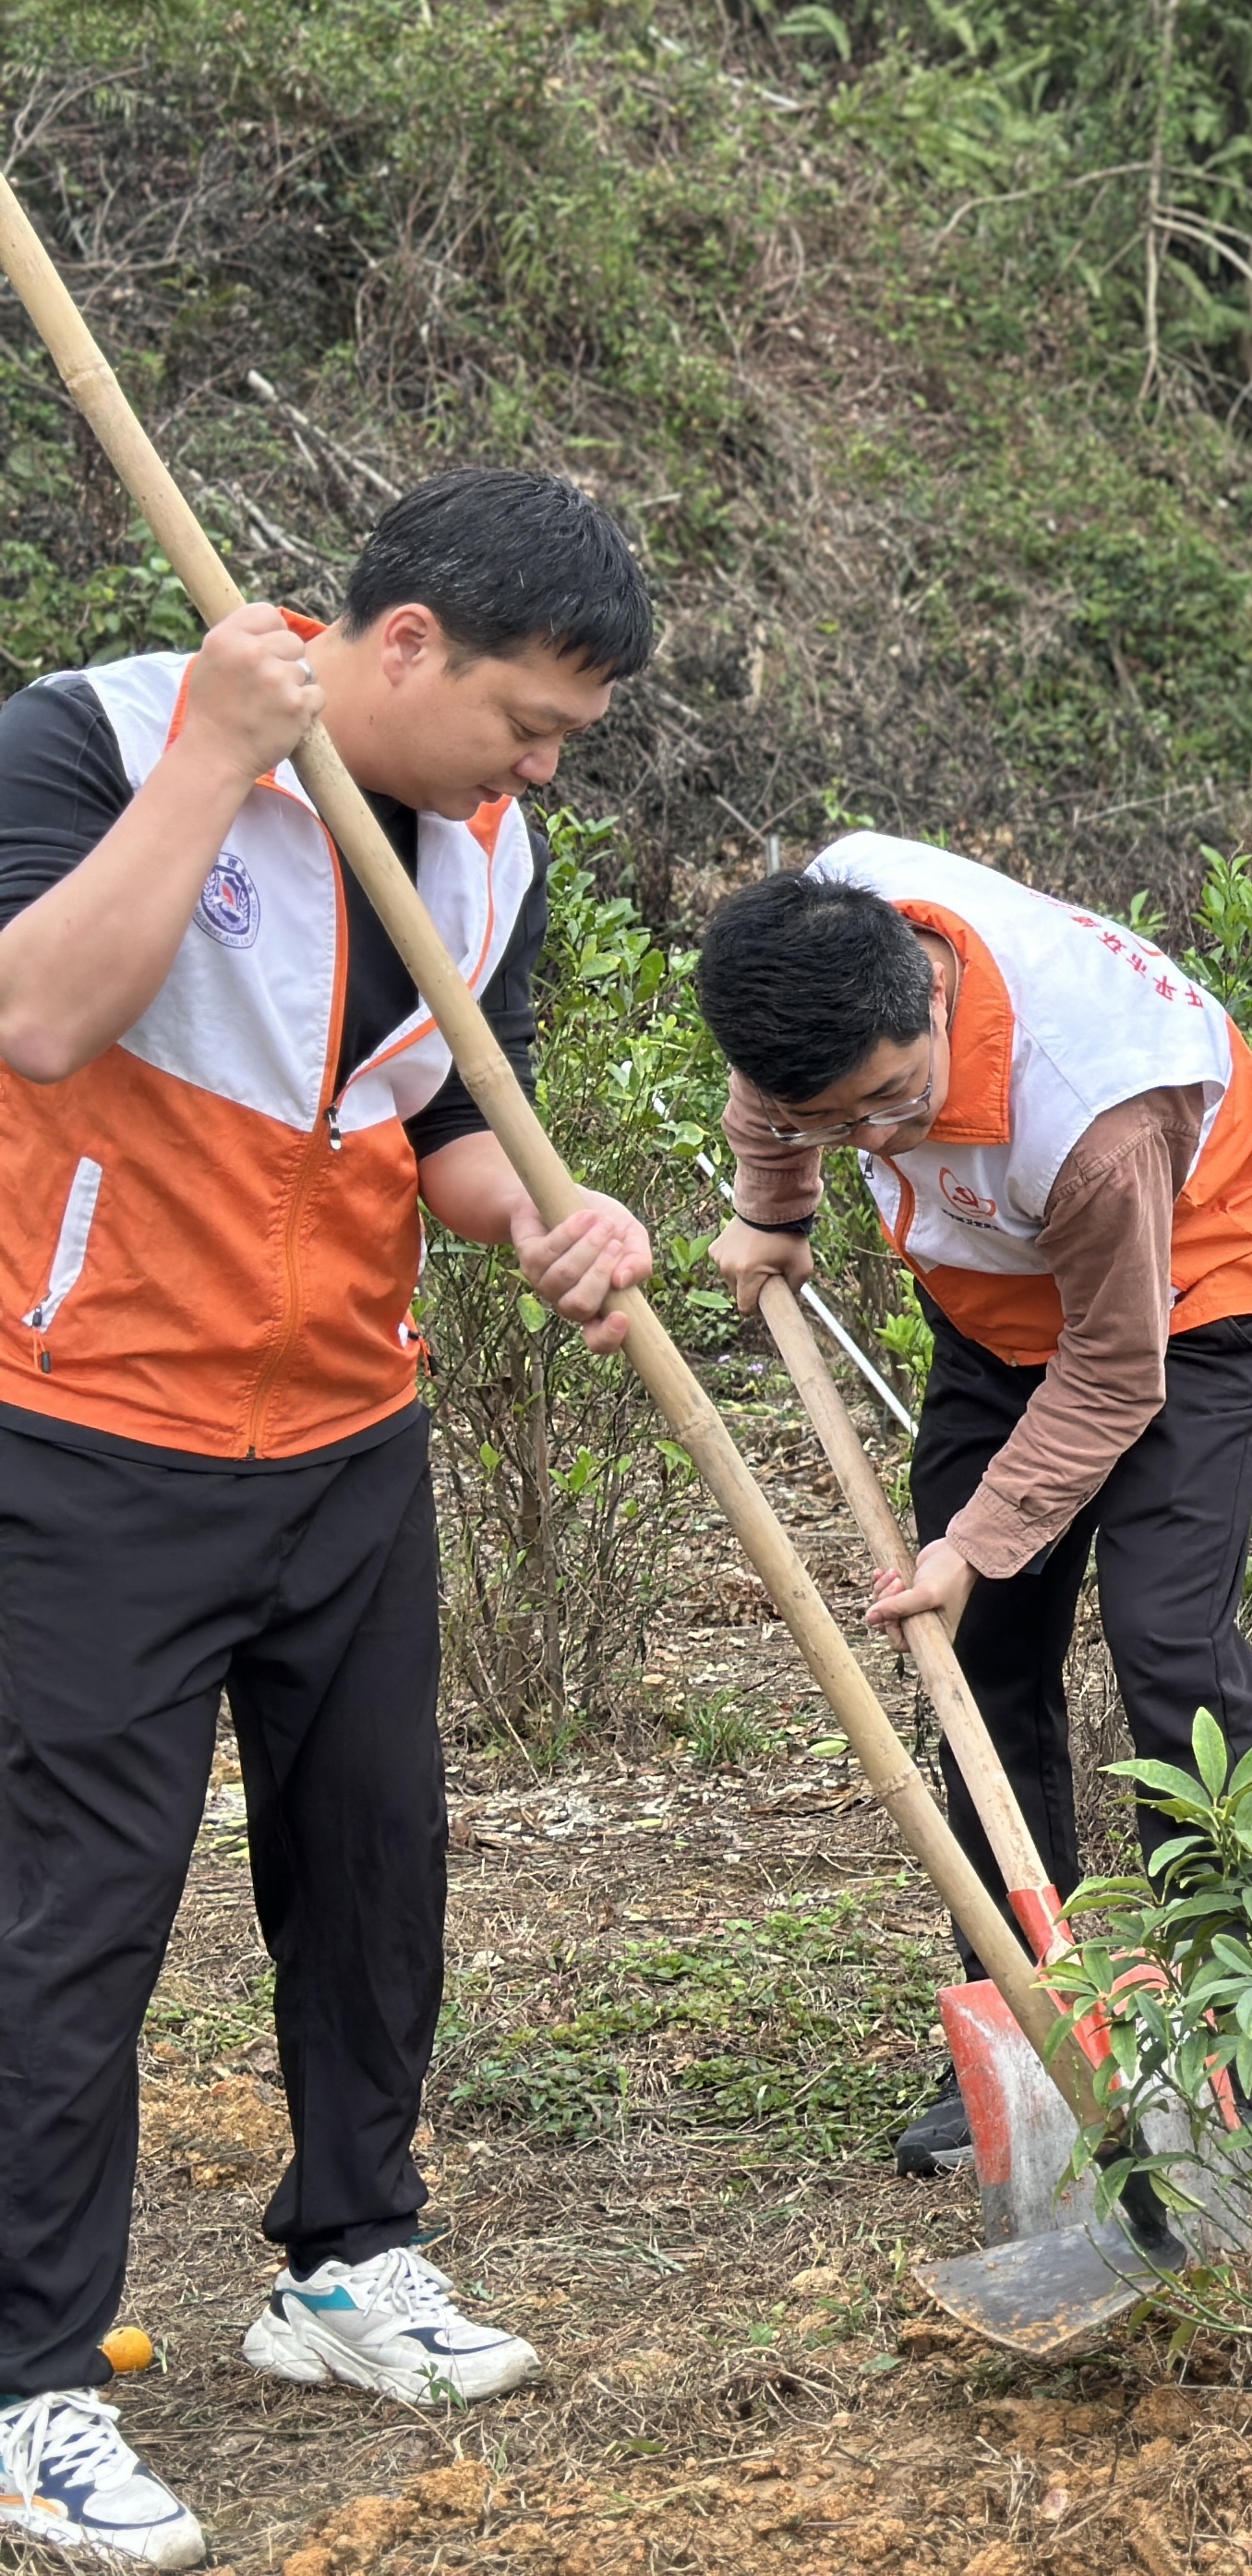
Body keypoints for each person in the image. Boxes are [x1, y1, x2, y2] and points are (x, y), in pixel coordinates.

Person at [0, 474, 658, 2568]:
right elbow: (37, 1013)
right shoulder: (96, 739)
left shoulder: (493, 851)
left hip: (346, 1435)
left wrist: (556, 1219)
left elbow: (447, 1118)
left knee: (374, 1864)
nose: (544, 770)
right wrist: (211, 763)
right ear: (403, 649)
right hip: (88, 1432)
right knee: (74, 1925)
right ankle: (28, 2386)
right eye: (528, 723)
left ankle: (346, 2266)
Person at [696, 840, 1252, 2177]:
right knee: (979, 1657)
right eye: (836, 1121)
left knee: (1167, 1642)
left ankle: (1247, 2021)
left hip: (1197, 1282)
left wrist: (975, 1543)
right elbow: (769, 1100)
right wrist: (777, 1208)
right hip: (997, 1299)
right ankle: (1027, 2017)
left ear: (930, 1004)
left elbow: (1114, 1369)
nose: (876, 1140)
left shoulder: (1090, 1104)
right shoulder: (808, 978)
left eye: (891, 1101)